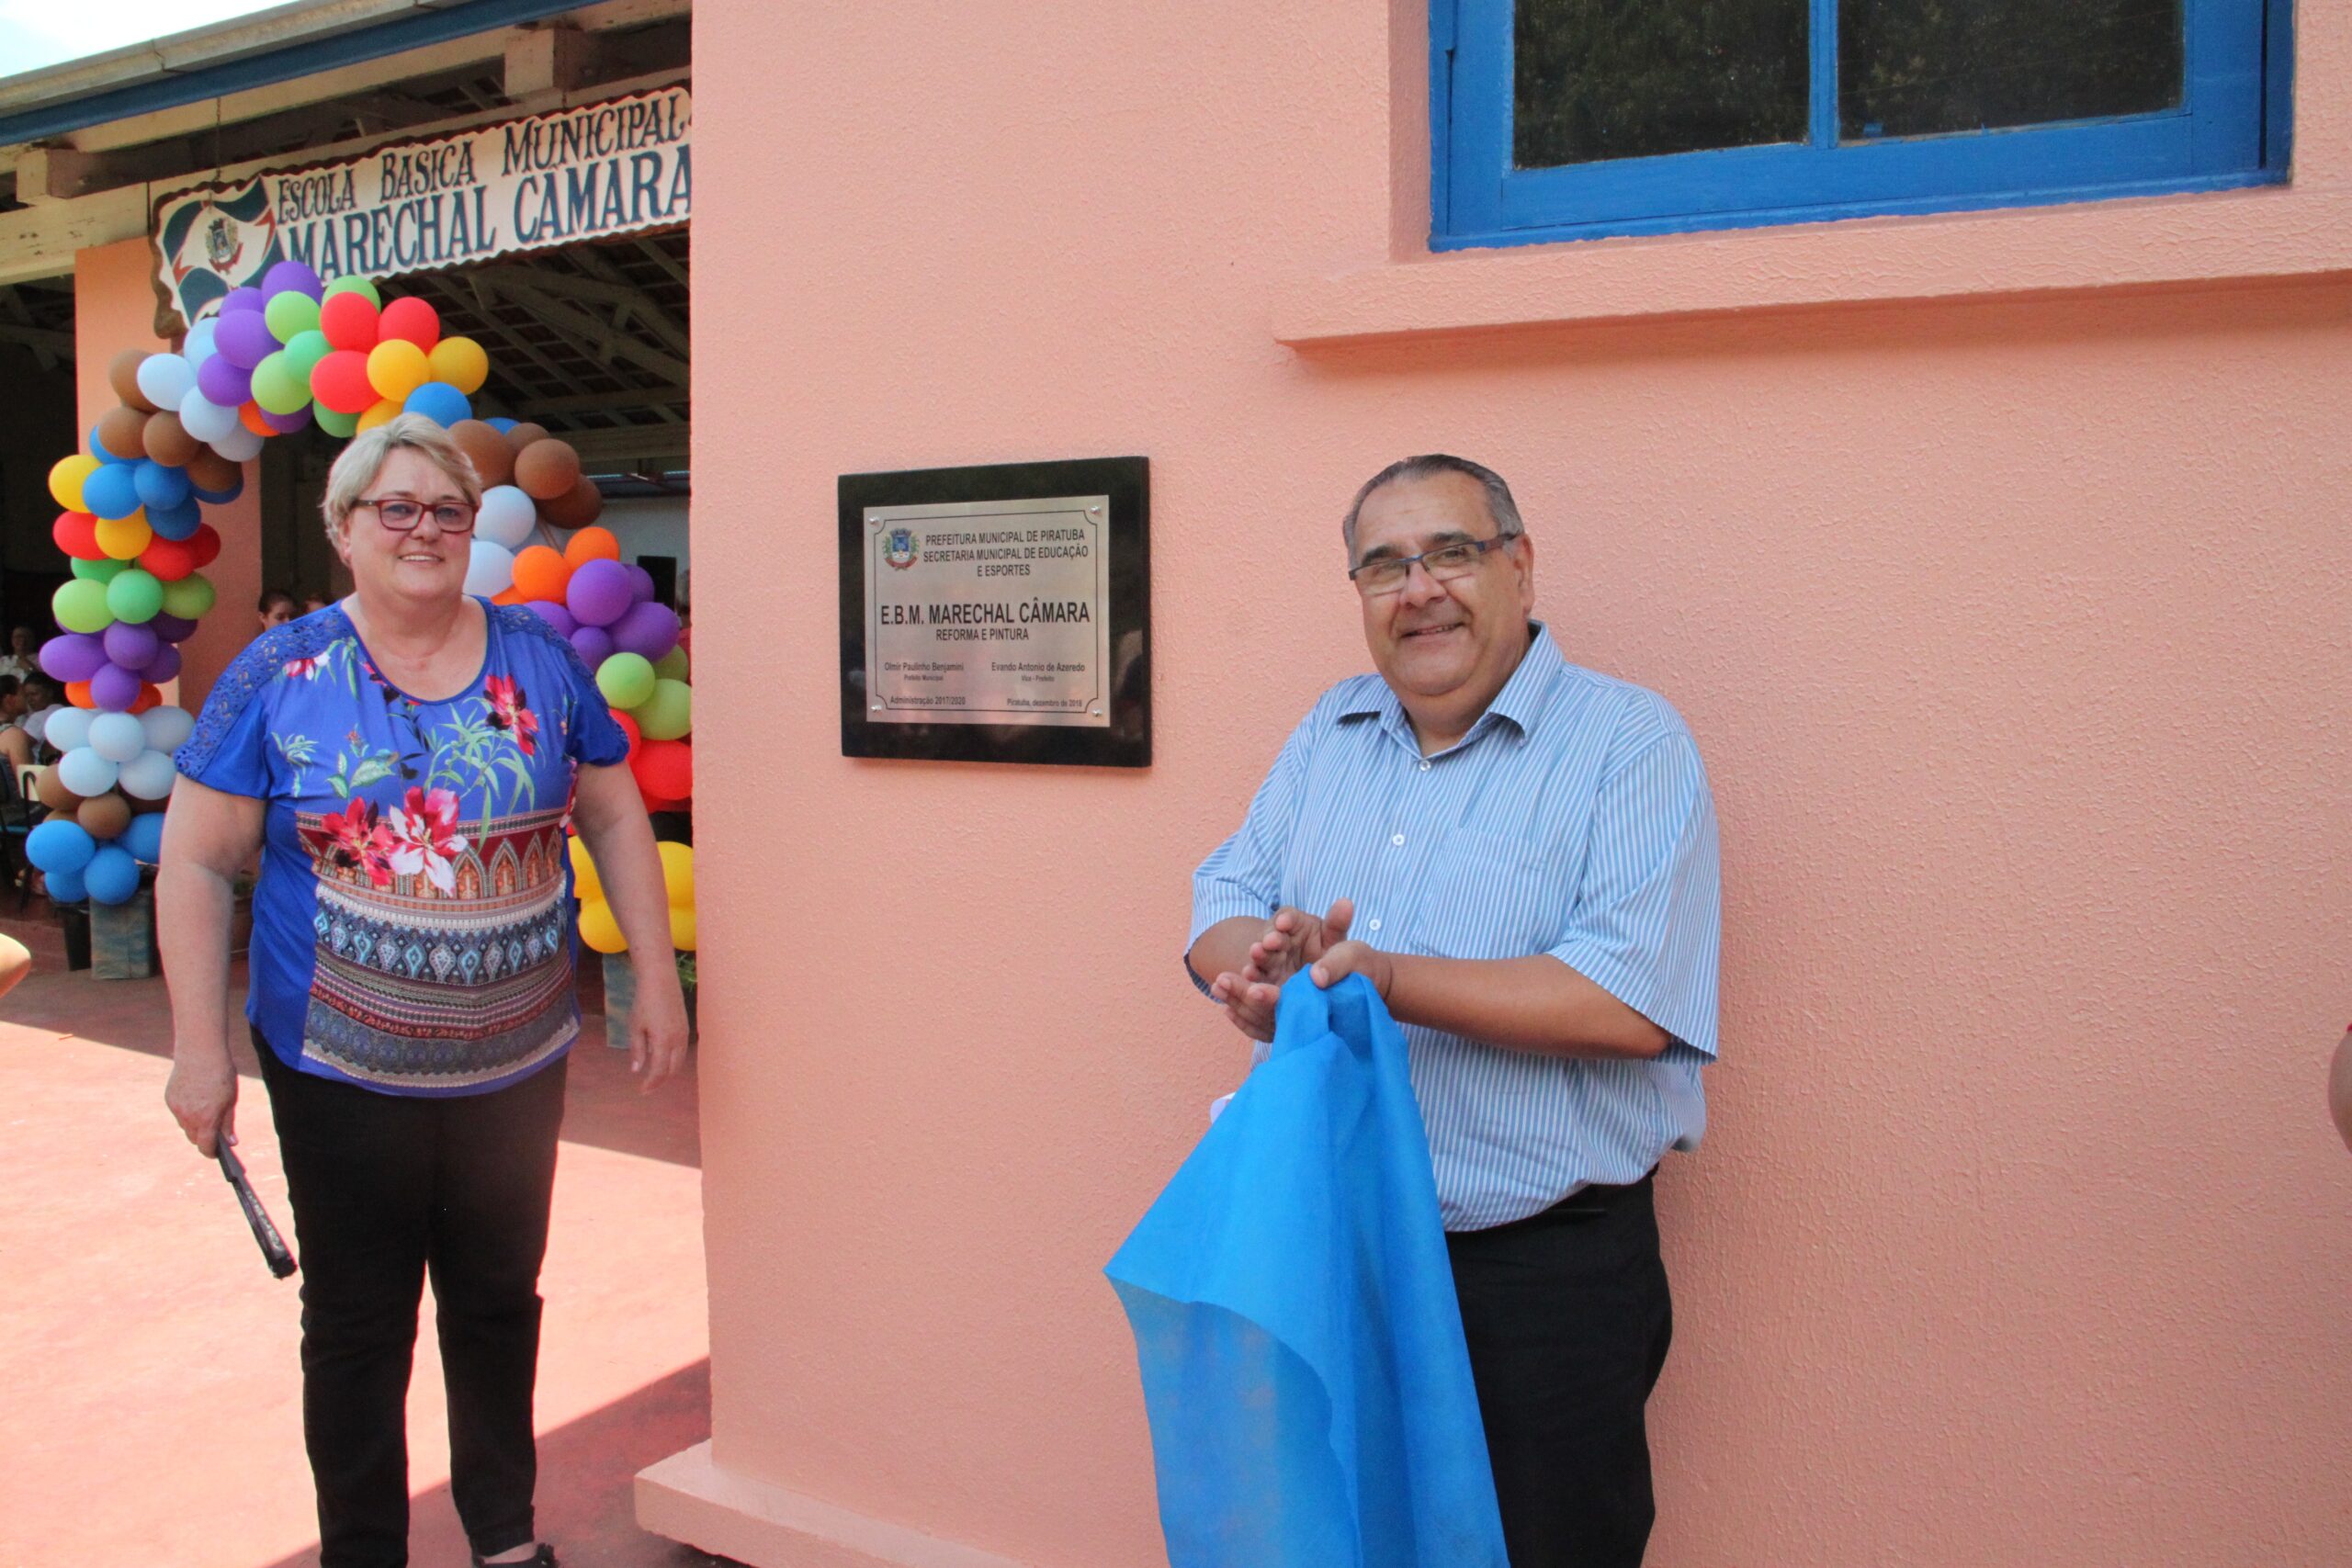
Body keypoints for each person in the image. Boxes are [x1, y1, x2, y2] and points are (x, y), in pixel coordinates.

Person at [159, 415, 689, 1568]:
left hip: (514, 1060)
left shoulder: (539, 656)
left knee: (500, 1300)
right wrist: (197, 1050)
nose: (424, 530)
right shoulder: (277, 672)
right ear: (343, 530)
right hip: (340, 1069)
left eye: (446, 509)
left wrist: (657, 975)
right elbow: (197, 861)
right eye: (394, 508)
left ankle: (504, 1540)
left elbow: (610, 811)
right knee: (359, 1325)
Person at [1186, 455, 1721, 1568]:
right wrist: (1265, 974)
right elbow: (1225, 901)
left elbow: (1627, 1000)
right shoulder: (1330, 729)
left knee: (1544, 1547)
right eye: (1382, 565)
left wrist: (1384, 979)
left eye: (1452, 553)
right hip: (1336, 1244)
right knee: (1331, 1536)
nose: (1416, 587)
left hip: (1537, 1279)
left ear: (1520, 569)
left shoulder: (1628, 742)